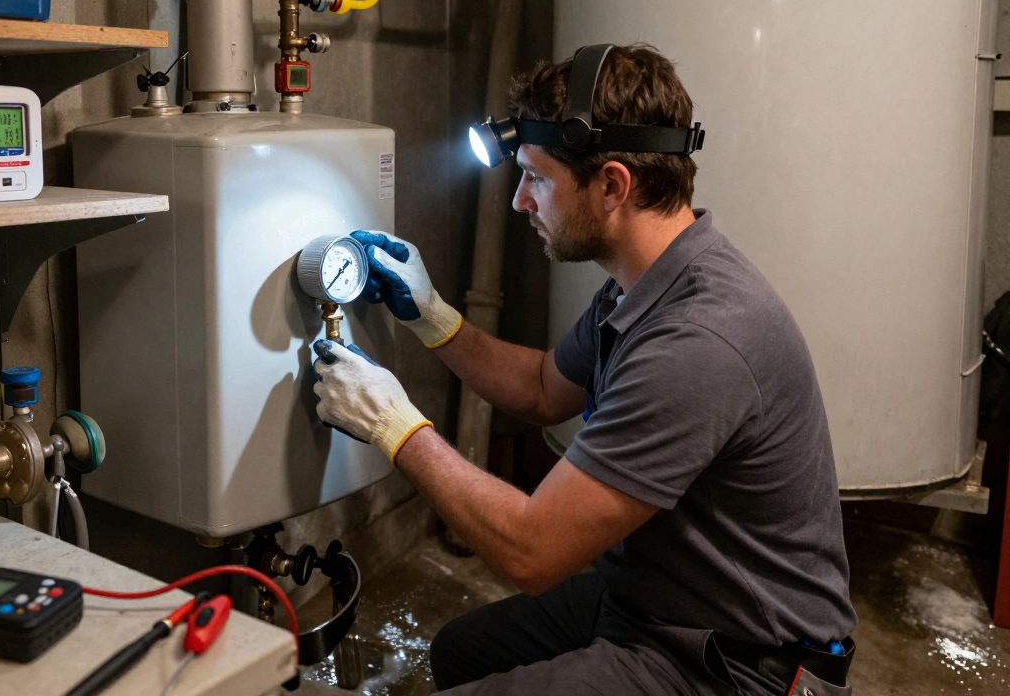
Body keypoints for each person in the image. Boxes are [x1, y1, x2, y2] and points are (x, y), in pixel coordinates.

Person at [311, 44, 858, 694]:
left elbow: (532, 552)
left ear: (612, 185)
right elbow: (544, 389)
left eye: (537, 178)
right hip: (657, 603)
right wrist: (432, 316)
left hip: (738, 663)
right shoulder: (646, 282)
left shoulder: (699, 340)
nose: (519, 201)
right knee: (463, 651)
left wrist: (393, 425)